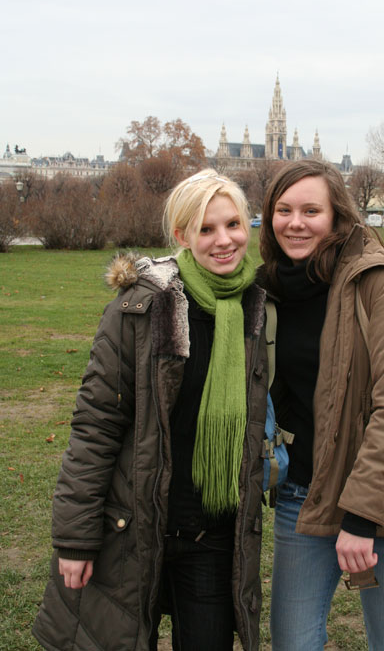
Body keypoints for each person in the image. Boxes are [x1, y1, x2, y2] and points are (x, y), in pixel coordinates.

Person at [33, 169, 269, 651]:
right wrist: (75, 540)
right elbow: (95, 427)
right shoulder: (142, 309)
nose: (224, 240)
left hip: (213, 533)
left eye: (233, 224)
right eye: (206, 229)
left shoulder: (260, 308)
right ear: (182, 235)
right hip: (135, 530)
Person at [257, 159, 384, 651]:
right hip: (305, 495)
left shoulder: (378, 281)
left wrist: (361, 518)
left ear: (338, 216)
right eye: (284, 209)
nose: (295, 223)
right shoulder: (266, 288)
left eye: (311, 210)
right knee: (292, 641)